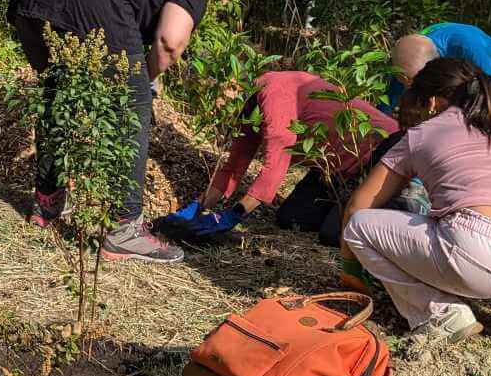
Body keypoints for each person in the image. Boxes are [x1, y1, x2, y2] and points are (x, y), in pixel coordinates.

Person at [8, 0, 224, 263]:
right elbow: (170, 43)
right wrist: (143, 80)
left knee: (57, 89)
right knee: (133, 101)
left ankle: (46, 202)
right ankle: (125, 230)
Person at [341, 58, 491, 350]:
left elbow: (358, 207)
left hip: (477, 258)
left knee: (359, 227)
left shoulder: (421, 135)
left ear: (432, 101)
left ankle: (441, 313)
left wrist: (351, 271)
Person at [158, 70, 395, 246]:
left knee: (335, 235)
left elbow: (274, 168)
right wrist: (196, 207)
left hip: (381, 149)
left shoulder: (274, 97)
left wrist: (232, 216)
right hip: (331, 166)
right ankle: (340, 204)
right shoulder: (250, 110)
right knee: (291, 218)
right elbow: (233, 167)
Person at [388, 22, 491, 130]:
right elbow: (387, 102)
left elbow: (490, 90)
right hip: (458, 75)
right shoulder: (406, 59)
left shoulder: (468, 46)